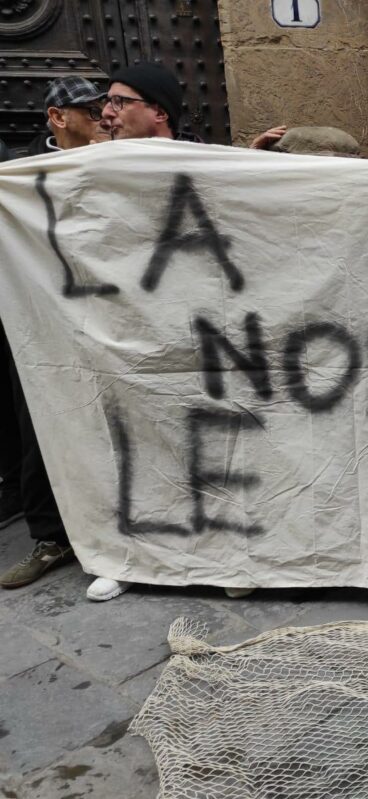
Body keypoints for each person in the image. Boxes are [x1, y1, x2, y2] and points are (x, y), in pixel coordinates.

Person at [0, 77, 109, 592]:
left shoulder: (121, 158)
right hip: (42, 323)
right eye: (90, 110)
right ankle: (50, 535)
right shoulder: (18, 176)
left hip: (109, 319)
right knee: (40, 426)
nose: (103, 116)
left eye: (105, 106)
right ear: (58, 117)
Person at [100, 63, 183, 141]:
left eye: (119, 101)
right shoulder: (100, 154)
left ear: (160, 113)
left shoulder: (193, 155)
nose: (105, 112)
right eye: (108, 101)